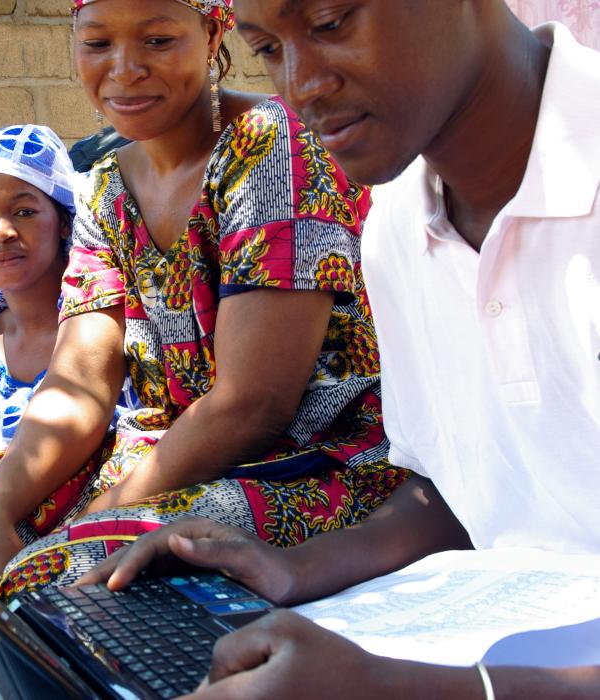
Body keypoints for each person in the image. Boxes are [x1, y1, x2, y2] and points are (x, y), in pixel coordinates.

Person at [0, 5, 406, 685]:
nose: (124, 69)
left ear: (213, 33)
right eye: (98, 43)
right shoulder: (109, 187)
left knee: (53, 571)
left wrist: (72, 529)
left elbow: (251, 404)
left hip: (309, 465)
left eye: (158, 40)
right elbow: (79, 384)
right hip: (164, 458)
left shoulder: (271, 146)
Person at [78, 0, 600, 697]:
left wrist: (424, 689)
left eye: (330, 24)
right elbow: (459, 487)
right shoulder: (398, 231)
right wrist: (291, 568)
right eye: (267, 47)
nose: (301, 85)